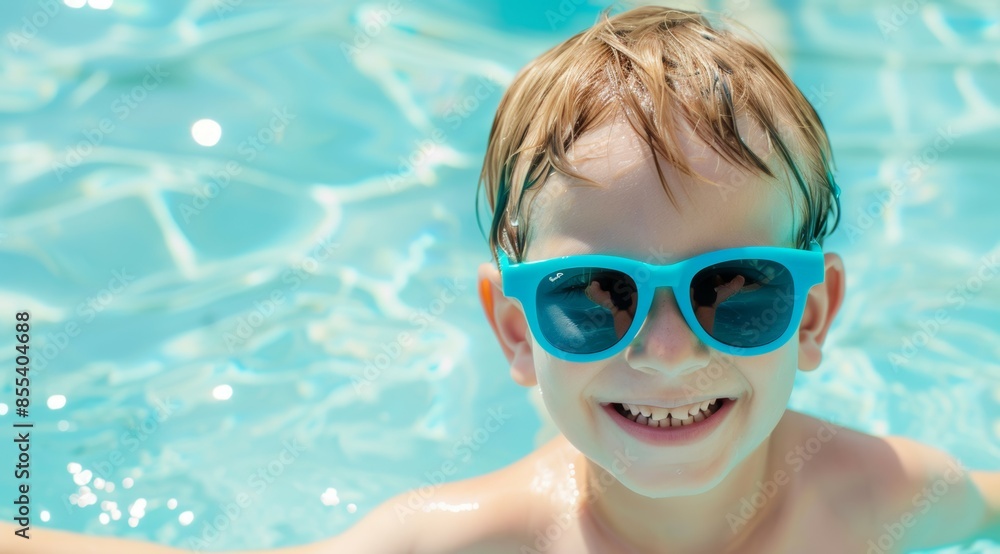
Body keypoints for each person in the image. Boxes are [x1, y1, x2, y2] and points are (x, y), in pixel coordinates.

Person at [4, 5, 998, 553]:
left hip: (602, 409)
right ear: (514, 331)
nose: (664, 346)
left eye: (736, 290)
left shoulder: (877, 497)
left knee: (738, 81)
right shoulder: (477, 542)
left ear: (816, 311)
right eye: (590, 296)